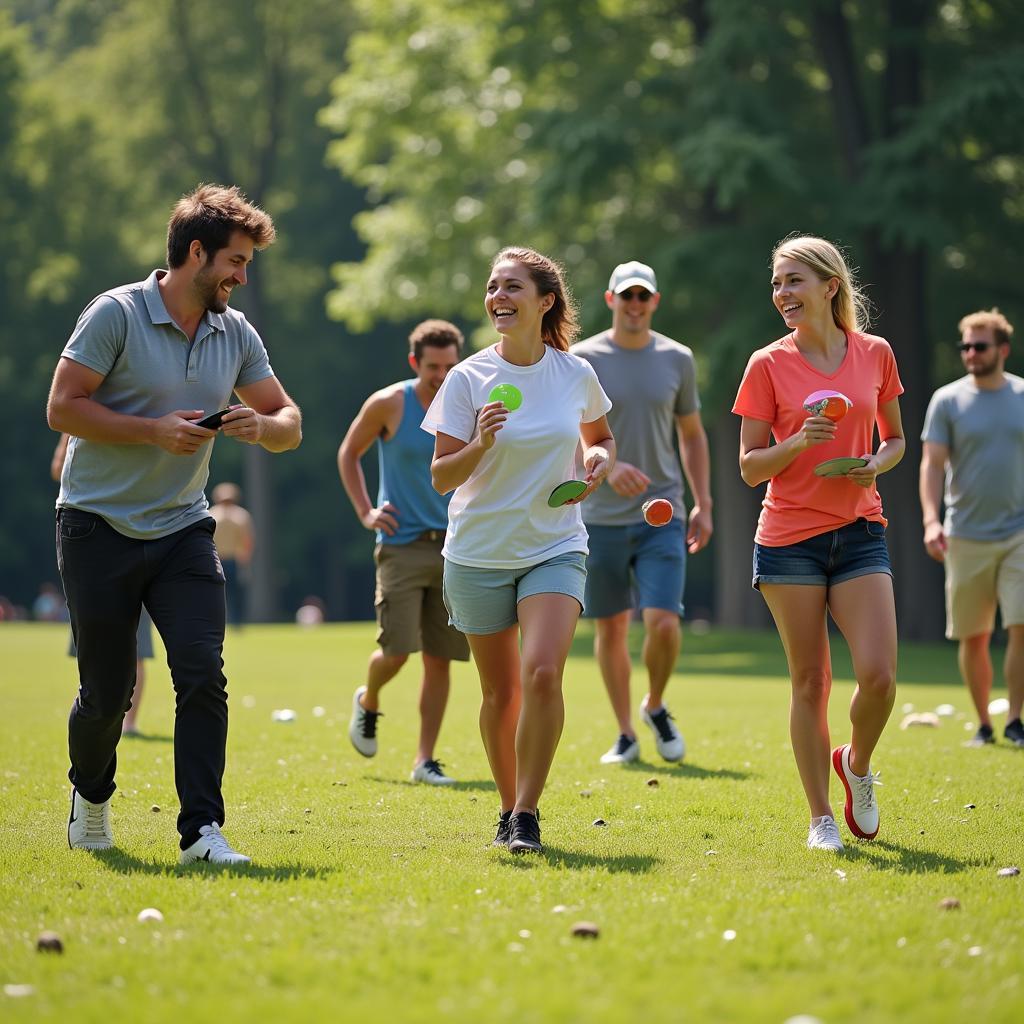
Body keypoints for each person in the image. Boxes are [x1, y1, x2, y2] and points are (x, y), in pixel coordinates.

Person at [47, 183, 302, 864]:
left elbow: (290, 423)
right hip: (96, 524)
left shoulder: (235, 331)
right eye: (237, 262)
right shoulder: (116, 315)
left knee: (201, 672)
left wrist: (261, 426)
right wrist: (150, 432)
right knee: (107, 691)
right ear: (197, 253)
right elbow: (63, 409)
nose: (243, 277)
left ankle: (200, 832)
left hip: (184, 530)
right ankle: (91, 796)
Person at [422, 247, 615, 854]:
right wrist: (479, 444)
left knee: (542, 672)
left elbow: (600, 437)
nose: (498, 297)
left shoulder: (574, 373)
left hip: (555, 544)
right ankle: (506, 805)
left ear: (544, 301)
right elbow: (441, 477)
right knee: (499, 693)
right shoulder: (467, 377)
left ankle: (527, 811)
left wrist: (599, 462)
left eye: (511, 287)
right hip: (478, 553)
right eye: (492, 287)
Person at [732, 234, 905, 852]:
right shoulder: (767, 364)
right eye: (776, 284)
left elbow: (894, 439)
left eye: (793, 281)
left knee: (880, 677)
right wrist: (800, 443)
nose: (782, 294)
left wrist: (876, 465)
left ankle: (855, 764)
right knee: (811, 681)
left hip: (861, 531)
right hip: (789, 541)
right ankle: (820, 818)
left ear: (830, 286)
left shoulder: (875, 353)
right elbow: (751, 467)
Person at [573, 261, 713, 766]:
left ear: (654, 301)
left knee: (664, 622)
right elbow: (567, 430)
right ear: (611, 299)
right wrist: (608, 467)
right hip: (600, 514)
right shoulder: (582, 359)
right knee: (610, 629)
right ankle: (626, 733)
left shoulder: (677, 358)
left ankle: (654, 703)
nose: (634, 305)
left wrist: (705, 502)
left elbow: (692, 434)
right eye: (626, 296)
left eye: (643, 297)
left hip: (664, 510)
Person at [338, 319, 471, 785]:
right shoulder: (390, 403)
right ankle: (368, 699)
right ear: (415, 363)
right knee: (396, 652)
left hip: (457, 547)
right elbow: (348, 453)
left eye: (450, 366)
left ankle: (425, 760)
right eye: (433, 366)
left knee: (440, 657)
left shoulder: (469, 402)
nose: (442, 374)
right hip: (401, 547)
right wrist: (365, 511)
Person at [920, 309, 1024, 747]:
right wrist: (930, 521)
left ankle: (1015, 720)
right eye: (965, 346)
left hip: (1020, 532)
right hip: (964, 533)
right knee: (973, 635)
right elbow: (932, 464)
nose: (970, 354)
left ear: (1002, 350)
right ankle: (984, 723)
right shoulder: (947, 400)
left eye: (979, 346)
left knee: (1020, 624)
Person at [53, 431, 152, 735]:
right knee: (97, 650)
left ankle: (128, 723)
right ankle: (107, 722)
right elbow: (61, 469)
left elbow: (59, 467)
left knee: (130, 648)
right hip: (101, 538)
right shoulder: (77, 417)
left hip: (144, 539)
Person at [208, 482, 254, 626]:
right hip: (225, 559)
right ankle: (233, 622)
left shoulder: (211, 513)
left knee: (220, 593)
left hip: (219, 559)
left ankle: (226, 621)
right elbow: (247, 541)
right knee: (231, 593)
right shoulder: (241, 516)